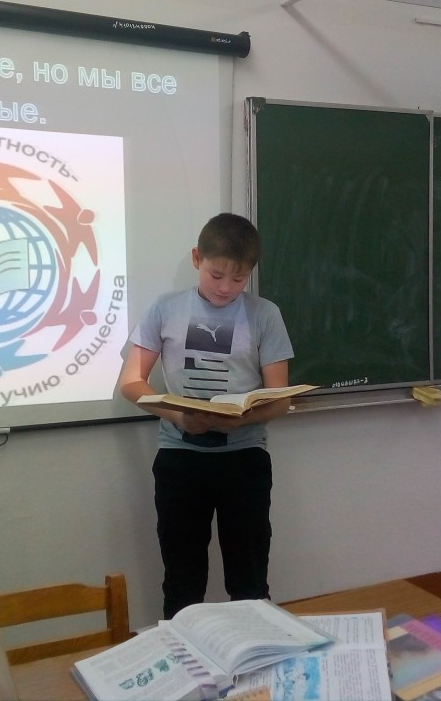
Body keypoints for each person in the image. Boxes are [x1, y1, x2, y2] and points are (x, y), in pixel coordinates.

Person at [119, 212, 294, 619]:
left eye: (239, 278)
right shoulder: (165, 308)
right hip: (180, 459)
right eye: (216, 275)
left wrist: (241, 419)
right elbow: (131, 382)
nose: (226, 287)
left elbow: (279, 399)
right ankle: (184, 654)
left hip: (244, 459)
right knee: (182, 579)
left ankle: (253, 650)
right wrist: (179, 416)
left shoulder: (265, 314)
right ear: (197, 258)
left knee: (250, 581)